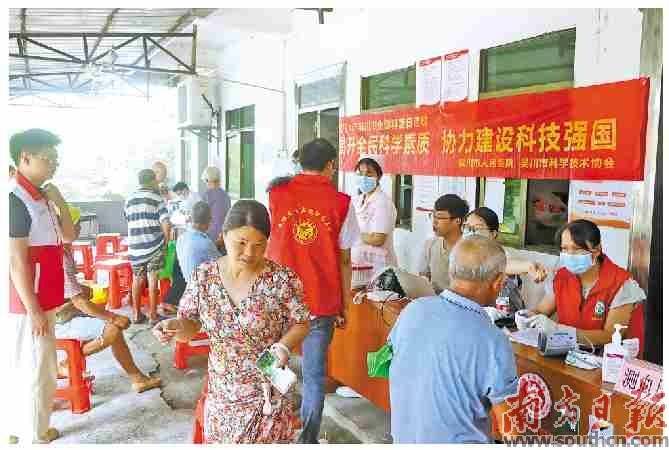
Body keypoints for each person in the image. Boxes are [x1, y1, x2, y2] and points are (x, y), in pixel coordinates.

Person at [152, 200, 310, 443]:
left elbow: (301, 322)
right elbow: (189, 327)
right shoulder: (204, 276)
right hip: (223, 391)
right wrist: (174, 327)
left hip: (267, 389)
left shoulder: (281, 279)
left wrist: (283, 346)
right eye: (242, 243)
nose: (250, 253)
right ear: (224, 235)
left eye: (259, 245)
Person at [266, 138, 359, 443]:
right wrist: (343, 304)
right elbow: (345, 260)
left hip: (276, 300)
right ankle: (307, 441)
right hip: (320, 302)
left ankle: (265, 428)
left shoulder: (276, 193)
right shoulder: (342, 202)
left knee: (269, 362)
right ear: (331, 165)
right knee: (314, 375)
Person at [388, 236, 518, 443]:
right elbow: (510, 428)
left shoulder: (413, 310)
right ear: (498, 282)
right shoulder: (492, 340)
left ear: (451, 271)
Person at [9, 128, 75, 444]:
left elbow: (70, 235)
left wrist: (59, 199)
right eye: (48, 159)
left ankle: (15, 427)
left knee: (32, 363)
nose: (53, 165)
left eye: (56, 160)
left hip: (45, 298)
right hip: (28, 302)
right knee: (38, 368)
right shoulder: (15, 200)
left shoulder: (41, 196)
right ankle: (35, 432)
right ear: (25, 158)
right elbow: (16, 262)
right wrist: (33, 310)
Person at [54, 206, 161, 393]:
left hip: (63, 313)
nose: (79, 228)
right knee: (113, 327)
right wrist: (112, 316)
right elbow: (80, 302)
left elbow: (70, 293)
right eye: (77, 224)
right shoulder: (61, 255)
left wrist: (82, 293)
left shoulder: (60, 248)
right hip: (58, 321)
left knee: (112, 325)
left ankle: (137, 378)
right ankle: (65, 362)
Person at [527, 219, 646, 348]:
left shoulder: (621, 283)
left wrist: (561, 331)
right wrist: (527, 317)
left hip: (607, 361)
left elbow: (610, 336)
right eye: (564, 249)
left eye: (577, 249)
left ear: (597, 250)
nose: (569, 255)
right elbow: (541, 310)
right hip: (565, 355)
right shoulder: (561, 276)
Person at [461, 207, 548, 322]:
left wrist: (528, 266)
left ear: (493, 234)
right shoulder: (462, 254)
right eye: (467, 227)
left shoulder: (501, 254)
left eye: (477, 228)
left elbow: (503, 265)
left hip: (504, 320)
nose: (471, 232)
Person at [124, 169, 171, 324]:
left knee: (137, 280)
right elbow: (166, 223)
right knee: (153, 280)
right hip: (153, 245)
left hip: (135, 247)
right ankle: (153, 315)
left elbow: (128, 220)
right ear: (152, 181)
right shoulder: (156, 198)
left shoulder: (129, 199)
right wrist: (165, 243)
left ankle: (136, 315)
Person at [163, 201, 222, 310]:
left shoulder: (181, 238)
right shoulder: (206, 243)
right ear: (208, 222)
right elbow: (222, 264)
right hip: (202, 289)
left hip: (188, 284)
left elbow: (199, 252)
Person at [351, 157, 398, 273]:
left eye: (369, 173)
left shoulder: (382, 202)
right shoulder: (358, 200)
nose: (364, 177)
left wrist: (353, 234)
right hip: (361, 264)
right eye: (360, 173)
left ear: (379, 176)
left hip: (380, 267)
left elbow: (378, 239)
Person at [418, 194, 469, 293]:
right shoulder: (430, 244)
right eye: (433, 216)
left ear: (457, 221)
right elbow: (423, 276)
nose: (434, 222)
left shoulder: (469, 249)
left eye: (440, 218)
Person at [201, 166, 231, 242]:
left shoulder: (207, 195)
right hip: (224, 235)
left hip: (210, 235)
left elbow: (201, 217)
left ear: (207, 180)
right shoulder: (226, 195)